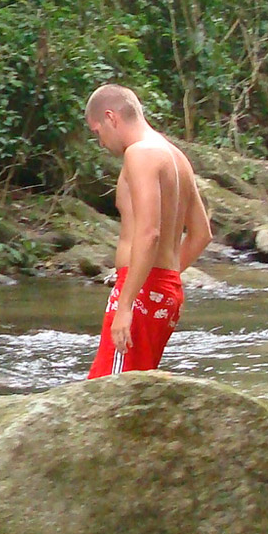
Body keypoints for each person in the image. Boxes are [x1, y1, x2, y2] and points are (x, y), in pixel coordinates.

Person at [84, 84, 213, 377]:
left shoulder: (140, 154)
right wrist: (164, 280)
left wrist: (128, 302)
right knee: (132, 392)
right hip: (162, 288)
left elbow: (149, 233)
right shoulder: (176, 156)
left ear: (111, 117)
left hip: (141, 288)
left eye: (97, 132)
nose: (101, 142)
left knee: (109, 391)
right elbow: (201, 234)